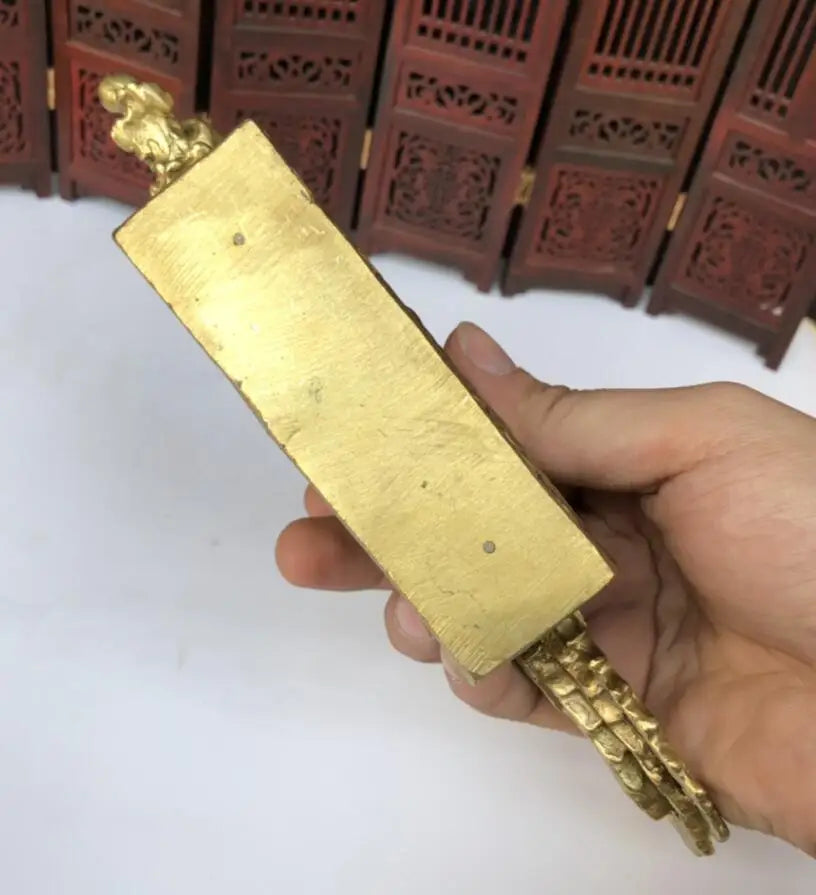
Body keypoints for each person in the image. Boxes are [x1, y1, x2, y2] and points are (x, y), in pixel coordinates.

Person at [275, 321, 816, 858]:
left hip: (532, 561)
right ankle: (685, 804)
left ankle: (685, 804)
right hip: (509, 570)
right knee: (571, 683)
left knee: (577, 682)